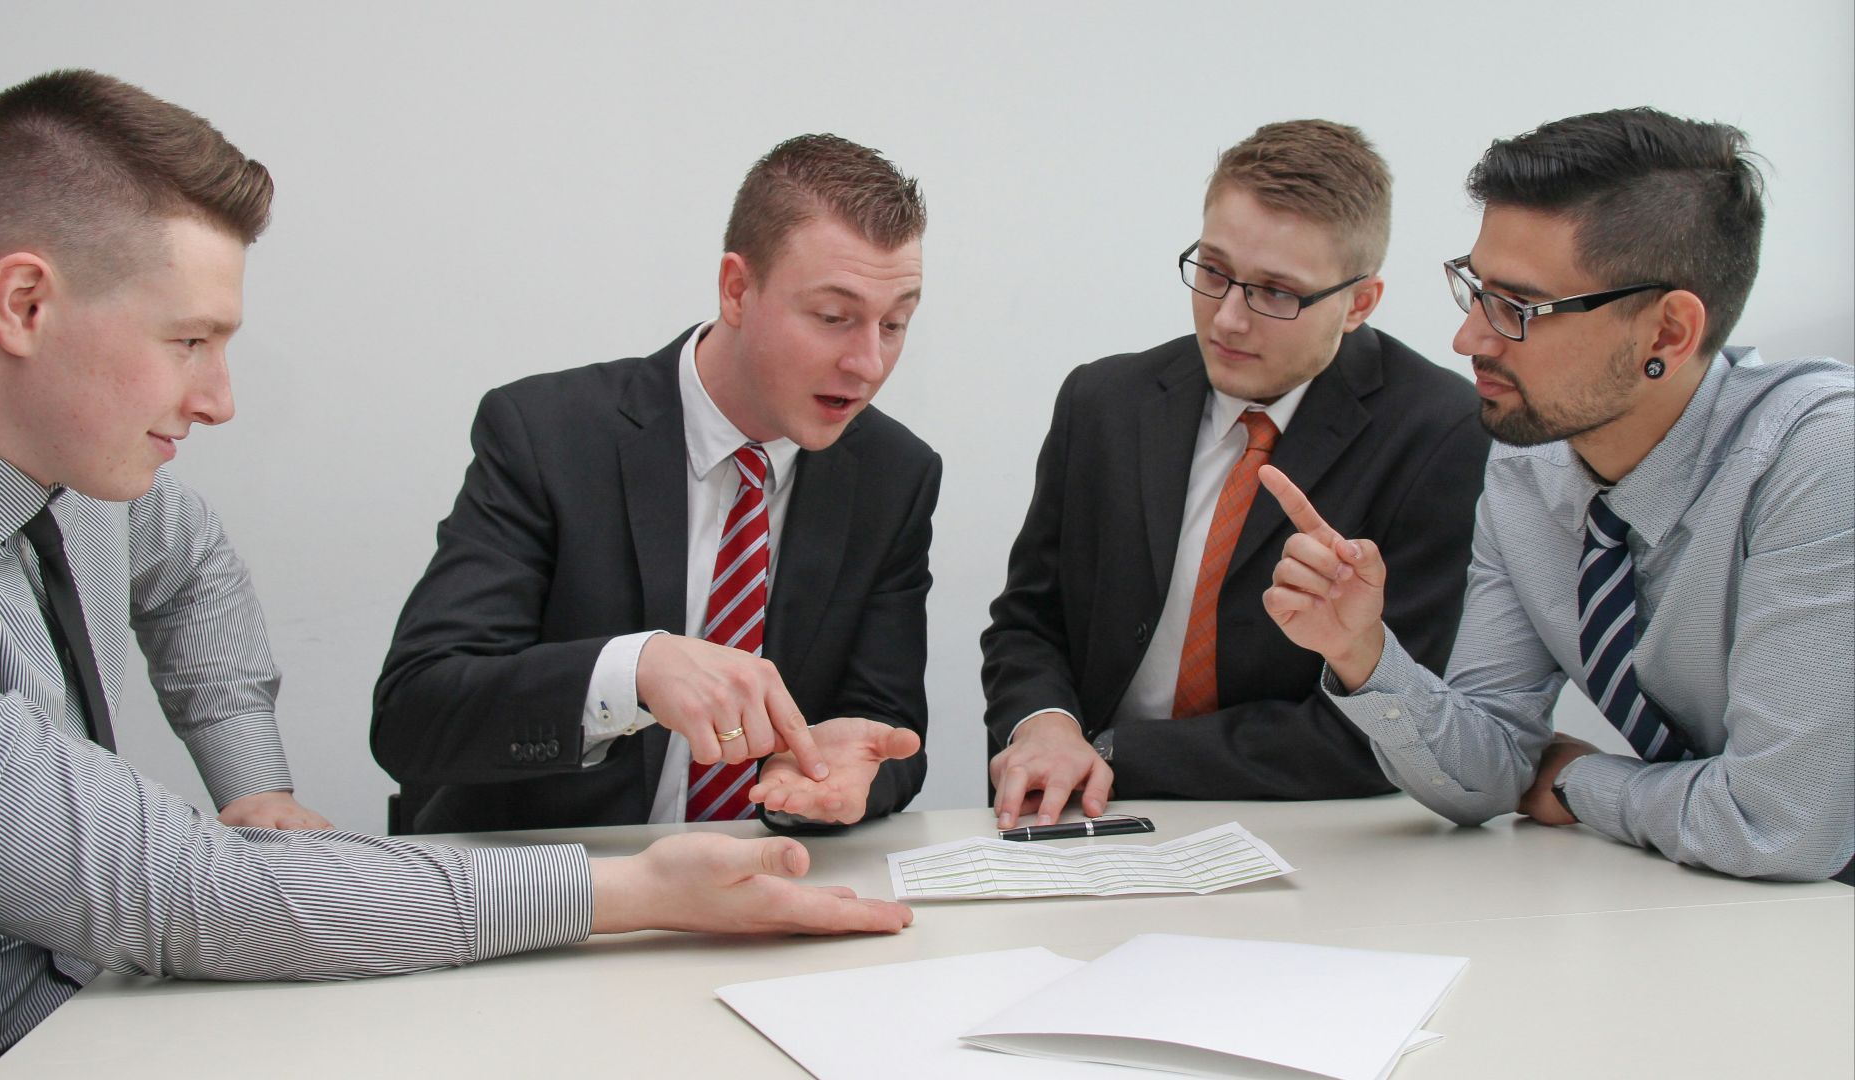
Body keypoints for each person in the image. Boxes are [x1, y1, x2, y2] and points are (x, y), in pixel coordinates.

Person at [0, 70, 912, 1079]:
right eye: (189, 340)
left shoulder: (92, 482)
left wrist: (254, 785)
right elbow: (189, 894)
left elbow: (196, 576)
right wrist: (632, 892)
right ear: (23, 303)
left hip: (105, 998)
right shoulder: (546, 431)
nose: (220, 400)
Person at [1263, 107, 1854, 883]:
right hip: (1731, 911)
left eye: (1517, 309)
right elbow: (1489, 773)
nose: (1469, 339)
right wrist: (1363, 652)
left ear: (1668, 335)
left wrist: (1579, 782)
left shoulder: (1818, 459)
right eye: (1474, 290)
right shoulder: (1529, 468)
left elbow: (1779, 828)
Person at [372, 134, 937, 833]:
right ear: (737, 289)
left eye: (896, 322)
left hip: (764, 888)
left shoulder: (894, 475)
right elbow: (415, 713)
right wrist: (632, 671)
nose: (868, 362)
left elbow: (889, 728)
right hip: (556, 894)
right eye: (832, 318)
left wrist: (854, 775)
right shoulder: (548, 435)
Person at [980, 120, 1489, 828]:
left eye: (1276, 293)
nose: (1226, 319)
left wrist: (1116, 752)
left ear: (1360, 303)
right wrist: (1044, 728)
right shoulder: (1104, 401)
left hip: (1314, 834)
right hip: (1080, 820)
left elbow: (1387, 725)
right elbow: (1028, 623)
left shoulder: (1441, 433)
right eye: (1213, 271)